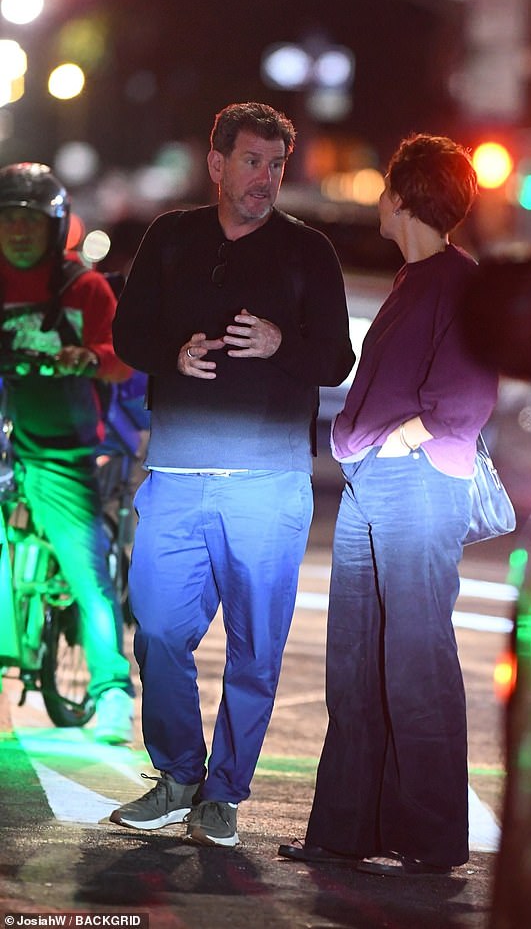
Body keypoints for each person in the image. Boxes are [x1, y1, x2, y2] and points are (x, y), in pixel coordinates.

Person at [109, 102, 355, 846]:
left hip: (268, 481)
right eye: (253, 161)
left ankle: (223, 792)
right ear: (216, 163)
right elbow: (127, 332)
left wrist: (282, 341)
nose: (266, 179)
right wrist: (171, 352)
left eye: (278, 164)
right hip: (178, 471)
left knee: (256, 646)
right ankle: (179, 773)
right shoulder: (171, 235)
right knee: (155, 627)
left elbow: (336, 359)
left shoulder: (308, 251)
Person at [278, 133, 498, 876]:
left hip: (415, 480)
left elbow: (463, 401)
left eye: (384, 188)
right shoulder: (418, 276)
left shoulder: (459, 280)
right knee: (356, 657)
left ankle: (431, 840)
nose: (378, 197)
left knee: (415, 658)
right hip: (376, 477)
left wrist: (396, 439)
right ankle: (346, 829)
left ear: (402, 197)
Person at [0, 162, 135, 744]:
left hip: (64, 449)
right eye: (8, 220)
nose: (18, 232)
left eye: (30, 221)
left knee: (87, 571)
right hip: (9, 440)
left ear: (55, 229)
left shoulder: (83, 288)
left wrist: (88, 357)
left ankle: (111, 694)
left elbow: (120, 357)